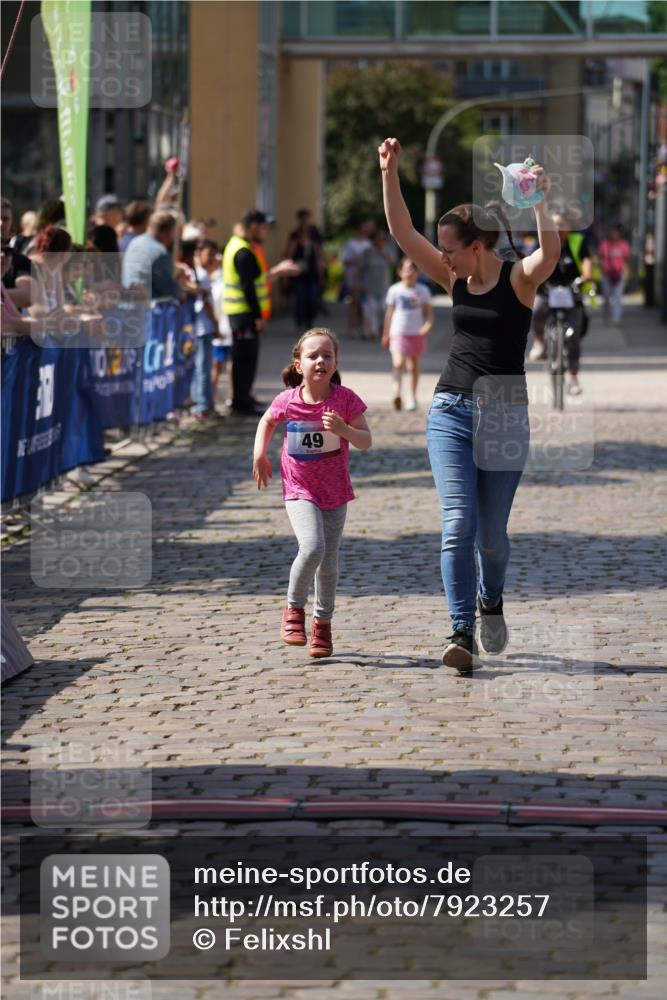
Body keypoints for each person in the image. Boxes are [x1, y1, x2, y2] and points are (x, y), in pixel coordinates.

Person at [379, 136, 560, 673]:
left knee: (493, 540)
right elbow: (400, 231)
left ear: (476, 246)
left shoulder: (519, 280)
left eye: (450, 247)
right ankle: (460, 629)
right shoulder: (451, 277)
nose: (443, 254)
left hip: (505, 412)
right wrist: (389, 171)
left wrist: (542, 202)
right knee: (457, 522)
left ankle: (491, 601)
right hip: (452, 409)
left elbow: (549, 254)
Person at [252, 328, 371, 658]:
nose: (320, 360)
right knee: (312, 546)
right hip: (299, 488)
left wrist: (344, 429)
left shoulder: (345, 399)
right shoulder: (287, 400)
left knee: (329, 564)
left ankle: (323, 625)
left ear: (335, 363)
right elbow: (267, 420)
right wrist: (259, 453)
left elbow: (365, 440)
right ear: (298, 364)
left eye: (327, 355)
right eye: (312, 356)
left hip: (334, 491)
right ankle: (293, 609)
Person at [222, 208, 297, 415]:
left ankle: (244, 397)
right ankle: (240, 402)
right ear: (253, 226)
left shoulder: (240, 247)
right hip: (244, 314)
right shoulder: (243, 251)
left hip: (242, 313)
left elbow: (256, 281)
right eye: (264, 228)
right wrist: (257, 316)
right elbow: (248, 287)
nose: (266, 233)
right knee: (244, 359)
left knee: (245, 358)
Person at [528, 213, 593, 396]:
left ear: (568, 226)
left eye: (561, 224)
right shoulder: (542, 240)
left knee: (573, 336)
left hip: (571, 292)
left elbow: (587, 261)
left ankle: (573, 378)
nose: (557, 228)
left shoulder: (577, 241)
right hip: (547, 291)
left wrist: (586, 276)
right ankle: (540, 343)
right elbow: (530, 261)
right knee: (534, 313)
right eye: (553, 224)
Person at [382, 257, 433, 410]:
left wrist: (427, 327)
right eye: (405, 269)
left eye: (412, 269)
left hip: (416, 334)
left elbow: (429, 314)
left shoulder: (423, 291)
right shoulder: (394, 290)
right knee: (398, 363)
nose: (409, 272)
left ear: (417, 272)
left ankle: (412, 397)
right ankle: (396, 393)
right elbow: (389, 313)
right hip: (398, 332)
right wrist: (385, 333)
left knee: (413, 368)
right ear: (399, 272)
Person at [121, 211, 183, 300]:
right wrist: (182, 292)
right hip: (150, 308)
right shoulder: (160, 253)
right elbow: (168, 289)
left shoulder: (134, 242)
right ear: (169, 232)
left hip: (128, 304)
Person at [191, 239, 221, 419]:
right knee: (202, 366)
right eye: (208, 254)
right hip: (203, 327)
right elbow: (206, 304)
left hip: (202, 327)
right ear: (198, 254)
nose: (211, 259)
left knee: (203, 366)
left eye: (214, 255)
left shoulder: (200, 274)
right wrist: (215, 323)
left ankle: (205, 403)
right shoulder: (201, 275)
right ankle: (202, 405)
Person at [284, 209, 326, 333]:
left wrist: (321, 274)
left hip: (312, 274)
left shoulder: (315, 235)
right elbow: (289, 255)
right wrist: (286, 276)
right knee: (300, 299)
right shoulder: (294, 236)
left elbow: (319, 256)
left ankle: (309, 320)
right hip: (298, 274)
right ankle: (300, 321)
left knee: (312, 299)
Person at [358, 228, 394, 341]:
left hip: (384, 287)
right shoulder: (367, 252)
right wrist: (358, 286)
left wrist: (383, 253)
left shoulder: (387, 251)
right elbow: (359, 270)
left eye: (383, 239)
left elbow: (392, 264)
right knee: (371, 312)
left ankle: (383, 332)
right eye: (378, 239)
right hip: (370, 288)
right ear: (373, 240)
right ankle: (371, 333)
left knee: (383, 310)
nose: (381, 241)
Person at [342, 221, 373, 337]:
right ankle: (352, 328)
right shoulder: (351, 244)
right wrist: (358, 260)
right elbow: (345, 260)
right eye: (361, 231)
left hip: (365, 277)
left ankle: (362, 327)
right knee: (354, 303)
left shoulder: (369, 244)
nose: (363, 234)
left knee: (364, 304)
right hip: (353, 276)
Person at [598, 225, 631, 325]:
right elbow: (600, 258)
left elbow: (626, 260)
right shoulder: (604, 245)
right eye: (612, 232)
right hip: (606, 274)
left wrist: (627, 272)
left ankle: (616, 317)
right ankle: (606, 315)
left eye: (616, 232)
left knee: (617, 296)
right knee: (607, 296)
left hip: (620, 274)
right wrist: (602, 269)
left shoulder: (624, 246)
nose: (613, 234)